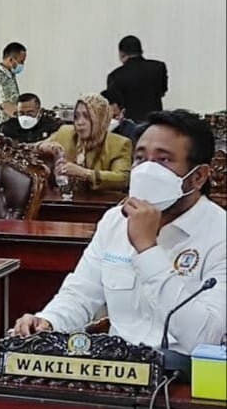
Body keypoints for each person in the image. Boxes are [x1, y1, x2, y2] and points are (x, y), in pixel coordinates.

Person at [12, 110, 224, 354]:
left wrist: (147, 249)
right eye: (140, 158)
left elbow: (206, 338)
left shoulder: (220, 235)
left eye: (163, 161)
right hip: (119, 370)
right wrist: (48, 321)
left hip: (185, 378)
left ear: (197, 177)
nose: (147, 170)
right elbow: (80, 293)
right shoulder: (115, 220)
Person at [36, 94, 132, 192]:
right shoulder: (65, 133)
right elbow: (26, 149)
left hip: (100, 204)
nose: (79, 122)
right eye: (76, 116)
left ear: (101, 118)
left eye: (87, 116)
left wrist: (84, 173)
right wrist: (41, 147)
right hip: (62, 201)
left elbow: (122, 179)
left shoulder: (119, 144)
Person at [106, 35, 167, 122]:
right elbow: (163, 91)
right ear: (141, 51)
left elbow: (115, 107)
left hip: (130, 127)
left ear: (121, 54)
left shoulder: (115, 76)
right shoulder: (159, 68)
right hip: (154, 124)